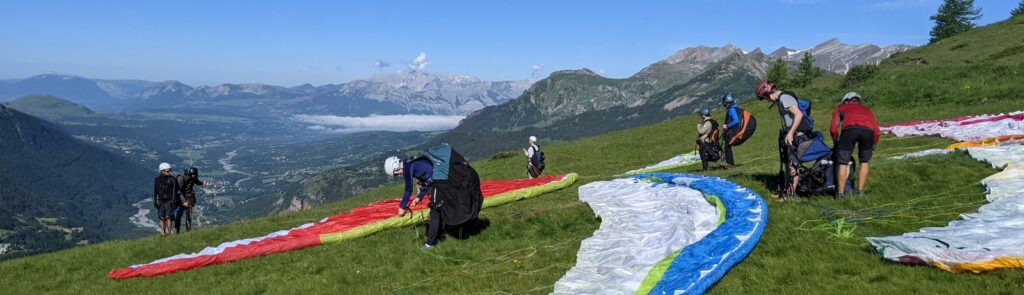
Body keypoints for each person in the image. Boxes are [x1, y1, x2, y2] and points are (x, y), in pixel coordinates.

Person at [755, 80, 814, 199]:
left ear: (767, 93)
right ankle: (786, 191)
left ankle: (790, 196)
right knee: (788, 165)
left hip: (797, 135)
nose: (767, 100)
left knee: (793, 166)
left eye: (764, 98)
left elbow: (798, 115)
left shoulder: (784, 98)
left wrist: (791, 133)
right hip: (792, 134)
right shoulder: (783, 98)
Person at [829, 92, 880, 200]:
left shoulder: (840, 108)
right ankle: (860, 192)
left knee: (843, 162)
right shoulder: (867, 110)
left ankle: (840, 195)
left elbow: (833, 128)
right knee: (864, 161)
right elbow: (876, 129)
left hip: (849, 130)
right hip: (868, 131)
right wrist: (874, 143)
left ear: (845, 100)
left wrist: (835, 141)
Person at [153, 162, 181, 236]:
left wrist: (174, 201)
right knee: (162, 217)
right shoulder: (157, 179)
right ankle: (162, 233)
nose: (170, 172)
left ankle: (169, 233)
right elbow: (155, 191)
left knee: (168, 217)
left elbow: (175, 191)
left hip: (170, 201)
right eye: (168, 171)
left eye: (170, 170)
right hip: (161, 200)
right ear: (162, 171)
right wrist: (155, 201)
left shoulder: (173, 180)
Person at [174, 167, 205, 233]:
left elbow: (196, 181)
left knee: (189, 216)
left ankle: (188, 231)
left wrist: (202, 183)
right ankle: (177, 232)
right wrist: (183, 201)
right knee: (178, 215)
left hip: (189, 198)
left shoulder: (193, 177)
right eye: (192, 177)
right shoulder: (181, 178)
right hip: (180, 199)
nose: (193, 178)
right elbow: (178, 191)